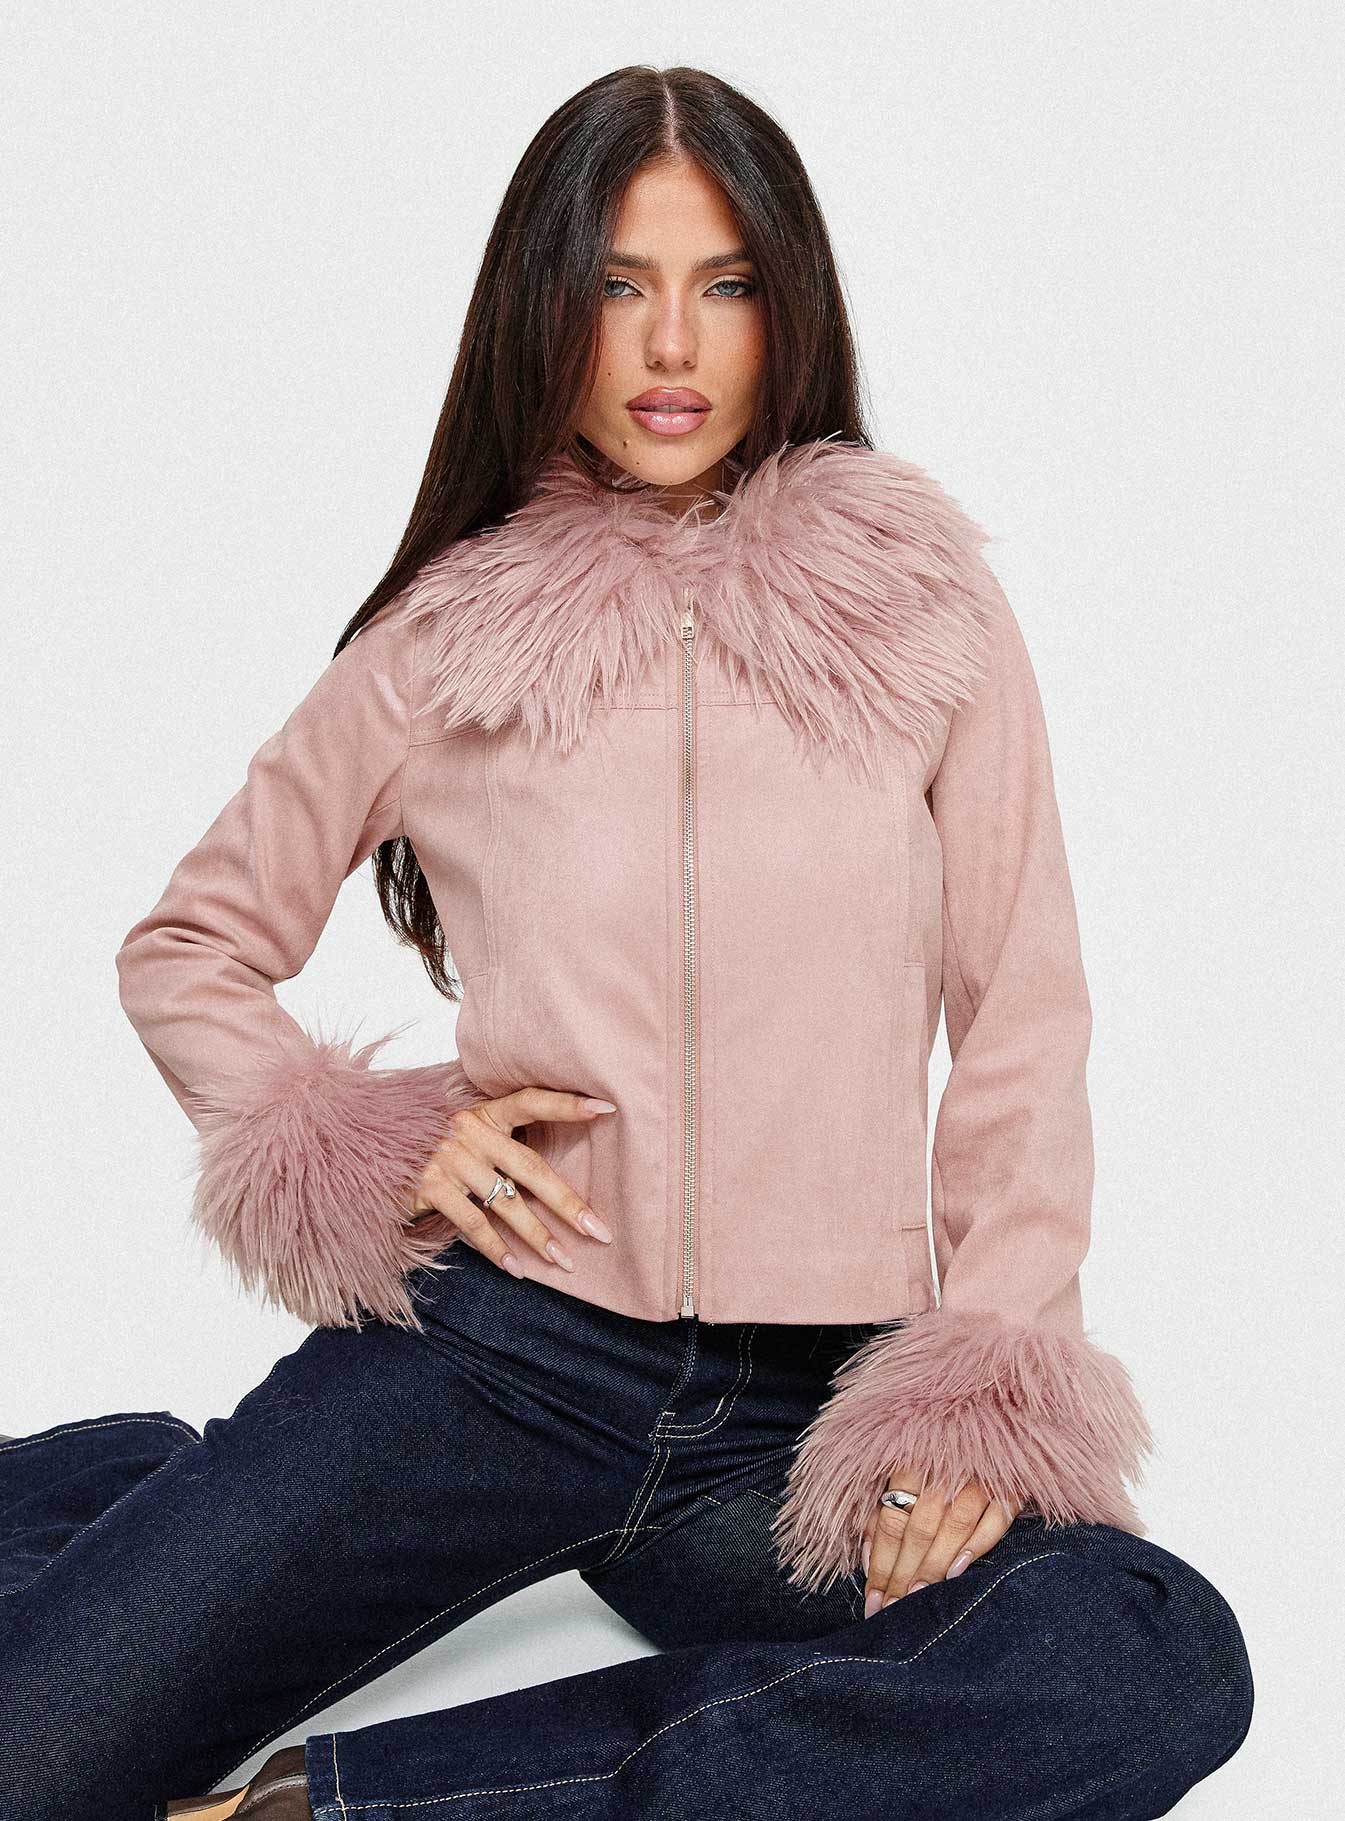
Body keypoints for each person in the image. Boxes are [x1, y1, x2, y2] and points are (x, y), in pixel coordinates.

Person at [0, 64, 1253, 1821]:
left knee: (1139, 1653)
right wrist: (370, 1140)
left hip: (809, 1421)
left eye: (723, 283)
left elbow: (1022, 1014)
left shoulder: (922, 608)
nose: (672, 343)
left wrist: (974, 1387)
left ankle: (328, 1804)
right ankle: (155, 1490)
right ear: (546, 308)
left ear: (786, 307)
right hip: (492, 1361)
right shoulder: (448, 640)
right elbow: (191, 941)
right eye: (617, 283)